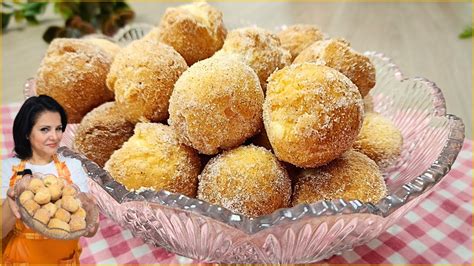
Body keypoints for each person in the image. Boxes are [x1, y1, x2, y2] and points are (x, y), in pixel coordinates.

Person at [1, 95, 98, 264]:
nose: (54, 136)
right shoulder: (7, 168)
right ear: (26, 132)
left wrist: (91, 216)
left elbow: (88, 230)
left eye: (58, 128)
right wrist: (11, 203)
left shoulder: (73, 166)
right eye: (45, 129)